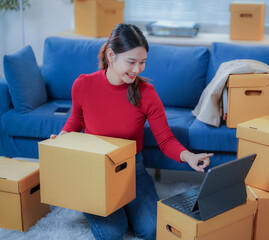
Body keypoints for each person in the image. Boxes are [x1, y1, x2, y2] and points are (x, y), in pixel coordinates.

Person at [50, 23, 213, 240]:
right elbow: (76, 119)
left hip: (131, 169)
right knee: (112, 233)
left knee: (152, 229)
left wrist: (189, 156)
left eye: (142, 62)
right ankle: (89, 200)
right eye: (131, 61)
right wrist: (63, 138)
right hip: (95, 170)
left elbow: (165, 139)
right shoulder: (83, 84)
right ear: (111, 55)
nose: (137, 69)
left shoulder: (147, 93)